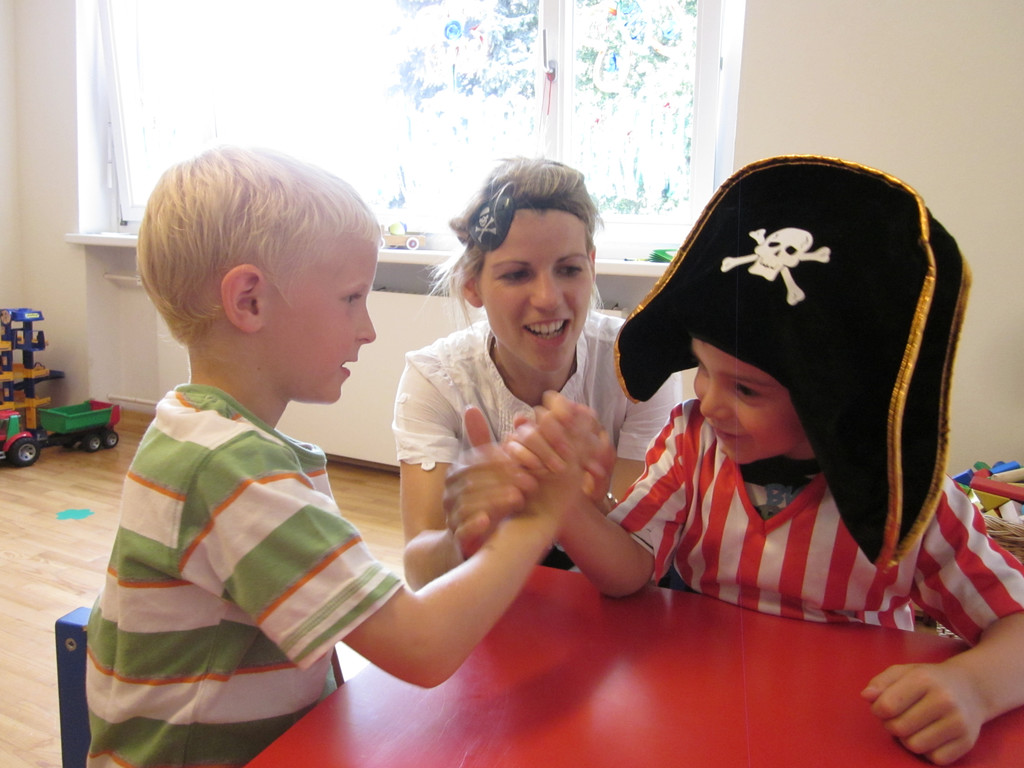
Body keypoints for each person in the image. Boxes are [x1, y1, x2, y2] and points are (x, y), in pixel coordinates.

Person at [449, 156, 1024, 765]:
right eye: (703, 369)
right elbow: (630, 571)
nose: (709, 401)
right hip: (698, 715)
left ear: (833, 401)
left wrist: (974, 687)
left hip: (845, 732)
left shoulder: (911, 502)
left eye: (747, 390)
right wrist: (565, 503)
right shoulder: (693, 441)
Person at [84, 146, 585, 768]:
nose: (368, 328)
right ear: (250, 301)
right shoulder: (233, 472)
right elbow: (422, 648)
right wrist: (540, 514)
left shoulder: (191, 433)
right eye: (351, 298)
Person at [393, 156, 679, 589]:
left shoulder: (638, 364)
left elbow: (639, 564)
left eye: (568, 269)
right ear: (472, 284)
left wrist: (577, 503)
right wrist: (463, 536)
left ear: (591, 266)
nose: (547, 298)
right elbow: (420, 575)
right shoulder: (435, 380)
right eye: (516, 274)